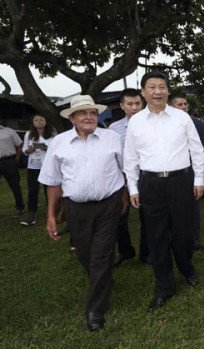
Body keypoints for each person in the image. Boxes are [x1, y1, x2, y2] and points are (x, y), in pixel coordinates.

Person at [39, 95, 127, 332]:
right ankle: (103, 279)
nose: (89, 117)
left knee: (101, 254)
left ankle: (94, 310)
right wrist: (51, 215)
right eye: (82, 113)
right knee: (84, 254)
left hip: (108, 204)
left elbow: (125, 169)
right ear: (72, 118)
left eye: (92, 113)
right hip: (75, 208)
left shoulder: (111, 138)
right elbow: (53, 182)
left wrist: (125, 198)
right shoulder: (59, 143)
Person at [123, 71, 204, 313]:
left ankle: (186, 268)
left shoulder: (181, 117)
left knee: (183, 233)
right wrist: (133, 187)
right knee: (156, 236)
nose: (157, 91)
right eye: (152, 87)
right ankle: (164, 286)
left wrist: (198, 179)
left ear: (167, 91)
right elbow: (130, 158)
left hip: (181, 182)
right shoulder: (135, 122)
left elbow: (196, 150)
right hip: (151, 185)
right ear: (143, 92)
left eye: (162, 86)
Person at [108, 88, 150, 266]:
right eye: (130, 104)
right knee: (120, 215)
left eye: (138, 103)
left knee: (146, 216)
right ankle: (125, 250)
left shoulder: (150, 125)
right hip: (120, 178)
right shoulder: (114, 129)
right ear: (122, 106)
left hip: (145, 177)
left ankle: (146, 253)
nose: (134, 107)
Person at [171, 96, 204, 251]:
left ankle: (194, 239)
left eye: (185, 104)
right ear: (171, 107)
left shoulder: (197, 124)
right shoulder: (168, 125)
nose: (183, 107)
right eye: (179, 104)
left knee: (193, 206)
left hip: (193, 170)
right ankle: (175, 238)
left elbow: (203, 148)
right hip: (173, 172)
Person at [20, 114, 56, 225]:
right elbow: (24, 149)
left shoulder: (53, 133)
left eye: (41, 120)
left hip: (47, 165)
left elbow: (57, 148)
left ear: (46, 121)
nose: (39, 122)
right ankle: (31, 215)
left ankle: (52, 213)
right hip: (33, 166)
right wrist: (28, 150)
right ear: (33, 122)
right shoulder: (28, 134)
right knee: (32, 190)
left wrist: (46, 148)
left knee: (48, 190)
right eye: (36, 120)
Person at [0, 120, 25, 216]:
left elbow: (19, 144)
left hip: (9, 161)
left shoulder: (9, 131)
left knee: (15, 185)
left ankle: (20, 207)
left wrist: (17, 159)